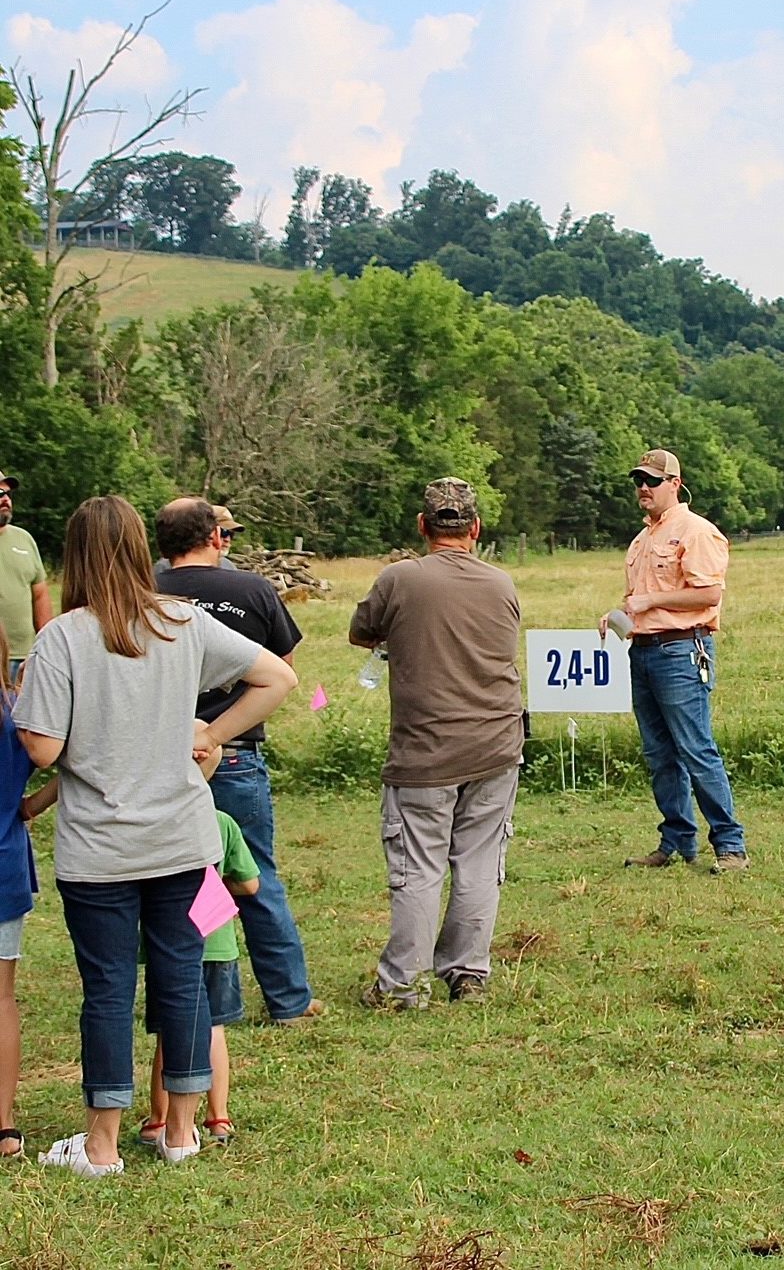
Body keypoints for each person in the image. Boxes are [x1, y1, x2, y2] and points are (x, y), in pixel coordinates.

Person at [14, 495, 297, 1177]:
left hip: (99, 850)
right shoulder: (182, 621)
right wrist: (212, 733)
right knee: (184, 981)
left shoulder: (64, 638)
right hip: (184, 842)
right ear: (142, 548)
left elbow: (43, 749)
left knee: (108, 988)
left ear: (73, 555)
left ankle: (102, 1144)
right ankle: (180, 1132)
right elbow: (278, 676)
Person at [350, 477, 523, 1008]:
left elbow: (362, 632)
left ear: (423, 526)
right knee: (477, 864)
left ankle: (401, 985)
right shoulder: (502, 583)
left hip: (425, 749)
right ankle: (467, 973)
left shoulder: (400, 578)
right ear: (476, 528)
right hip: (496, 743)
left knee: (418, 866)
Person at [155, 497, 321, 1025]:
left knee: (169, 880)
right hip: (233, 753)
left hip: (156, 756)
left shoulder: (144, 594)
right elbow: (282, 665)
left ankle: (198, 1002)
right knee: (254, 874)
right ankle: (289, 1001)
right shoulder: (252, 589)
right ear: (216, 537)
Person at [603, 448, 747, 873]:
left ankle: (730, 845)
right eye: (638, 481)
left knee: (695, 748)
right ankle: (677, 841)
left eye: (651, 480)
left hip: (682, 651)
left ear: (675, 484)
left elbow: (709, 594)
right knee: (659, 753)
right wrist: (621, 614)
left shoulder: (697, 531)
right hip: (644, 651)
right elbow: (642, 601)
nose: (643, 488)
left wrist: (650, 600)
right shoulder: (642, 538)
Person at [141, 810, 259, 1148]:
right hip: (217, 940)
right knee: (213, 1029)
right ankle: (218, 1117)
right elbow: (250, 883)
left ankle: (159, 1119)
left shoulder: (156, 819)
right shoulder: (222, 821)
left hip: (168, 944)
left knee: (171, 1027)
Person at [1, 630, 57, 1161]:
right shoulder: (17, 711)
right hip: (4, 867)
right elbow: (77, 754)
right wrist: (33, 804)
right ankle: (5, 1124)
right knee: (1, 998)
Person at [0, 470, 52, 681]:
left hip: (24, 659)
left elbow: (39, 595)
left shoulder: (24, 539)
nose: (5, 499)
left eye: (8, 494)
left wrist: (48, 647)